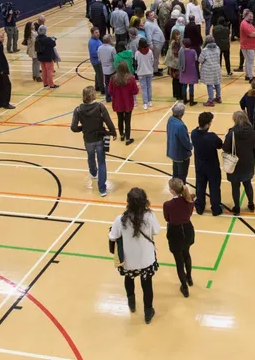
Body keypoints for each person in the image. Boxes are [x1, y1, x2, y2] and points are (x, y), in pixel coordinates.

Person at [108, 187, 161, 324]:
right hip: (146, 259)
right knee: (147, 284)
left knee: (128, 279)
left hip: (128, 260)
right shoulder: (150, 216)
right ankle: (148, 311)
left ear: (128, 202)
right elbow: (156, 231)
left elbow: (113, 236)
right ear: (145, 201)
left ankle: (131, 303)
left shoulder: (120, 219)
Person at [71, 86, 117, 196]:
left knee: (90, 156)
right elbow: (108, 121)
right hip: (100, 137)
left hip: (88, 139)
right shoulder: (100, 107)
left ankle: (93, 172)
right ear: (93, 96)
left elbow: (73, 127)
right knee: (102, 162)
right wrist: (113, 132)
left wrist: (83, 128)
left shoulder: (78, 110)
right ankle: (102, 189)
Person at [162, 178, 196, 297]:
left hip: (175, 232)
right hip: (187, 229)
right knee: (187, 253)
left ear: (172, 190)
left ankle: (184, 287)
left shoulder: (168, 205)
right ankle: (189, 278)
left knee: (179, 261)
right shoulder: (189, 200)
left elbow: (167, 219)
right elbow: (190, 213)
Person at [190, 112, 224, 216]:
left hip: (200, 165)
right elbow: (220, 145)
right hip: (212, 166)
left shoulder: (194, 133)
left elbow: (197, 130)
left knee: (200, 187)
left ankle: (200, 207)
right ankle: (216, 208)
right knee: (214, 187)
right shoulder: (212, 137)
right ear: (208, 124)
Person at [225, 110, 255, 214]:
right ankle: (251, 204)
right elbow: (254, 144)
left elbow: (226, 147)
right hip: (248, 161)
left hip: (235, 163)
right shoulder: (251, 131)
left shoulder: (232, 132)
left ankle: (237, 207)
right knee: (248, 184)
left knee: (235, 186)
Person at [108, 61, 140, 145]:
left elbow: (110, 91)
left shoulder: (113, 79)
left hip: (118, 103)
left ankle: (122, 135)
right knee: (127, 121)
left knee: (120, 119)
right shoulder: (131, 79)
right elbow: (135, 91)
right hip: (128, 103)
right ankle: (128, 139)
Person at [167, 103, 193, 182]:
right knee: (181, 178)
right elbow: (185, 142)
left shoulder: (170, 119)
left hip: (173, 152)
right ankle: (181, 194)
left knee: (175, 174)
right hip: (181, 155)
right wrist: (191, 146)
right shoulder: (180, 126)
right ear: (182, 113)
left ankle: (176, 192)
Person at [199, 35, 223, 107]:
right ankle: (218, 97)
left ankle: (210, 100)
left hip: (208, 70)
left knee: (209, 84)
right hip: (217, 68)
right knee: (217, 83)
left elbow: (200, 60)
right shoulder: (217, 48)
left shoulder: (205, 50)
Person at [131, 39, 155, 110]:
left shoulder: (137, 53)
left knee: (144, 88)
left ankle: (145, 103)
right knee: (149, 87)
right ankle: (149, 101)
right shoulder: (150, 51)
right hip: (149, 71)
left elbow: (135, 62)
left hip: (141, 72)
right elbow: (152, 61)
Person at [33, 25, 58, 90]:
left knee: (44, 71)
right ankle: (51, 85)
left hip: (41, 56)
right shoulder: (47, 39)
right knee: (49, 71)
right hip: (48, 57)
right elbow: (53, 44)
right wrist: (53, 39)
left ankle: (45, 84)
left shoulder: (37, 38)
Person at [240, 10, 255, 82]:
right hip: (248, 46)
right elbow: (251, 34)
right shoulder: (244, 24)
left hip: (249, 45)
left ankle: (247, 75)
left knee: (248, 61)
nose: (251, 18)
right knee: (250, 61)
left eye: (252, 16)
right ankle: (251, 76)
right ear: (245, 16)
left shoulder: (248, 23)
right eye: (250, 16)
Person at [164, 31, 183, 100]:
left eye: (179, 34)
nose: (178, 36)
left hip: (173, 64)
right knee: (177, 80)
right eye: (177, 35)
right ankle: (178, 95)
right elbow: (175, 53)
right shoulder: (174, 43)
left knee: (175, 80)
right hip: (175, 64)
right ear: (173, 35)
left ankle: (175, 94)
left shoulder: (174, 42)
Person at [98, 35, 117, 102]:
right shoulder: (112, 49)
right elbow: (115, 59)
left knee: (107, 84)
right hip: (112, 69)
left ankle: (108, 98)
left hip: (104, 69)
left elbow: (99, 59)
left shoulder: (99, 48)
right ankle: (114, 97)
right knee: (113, 84)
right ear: (109, 40)